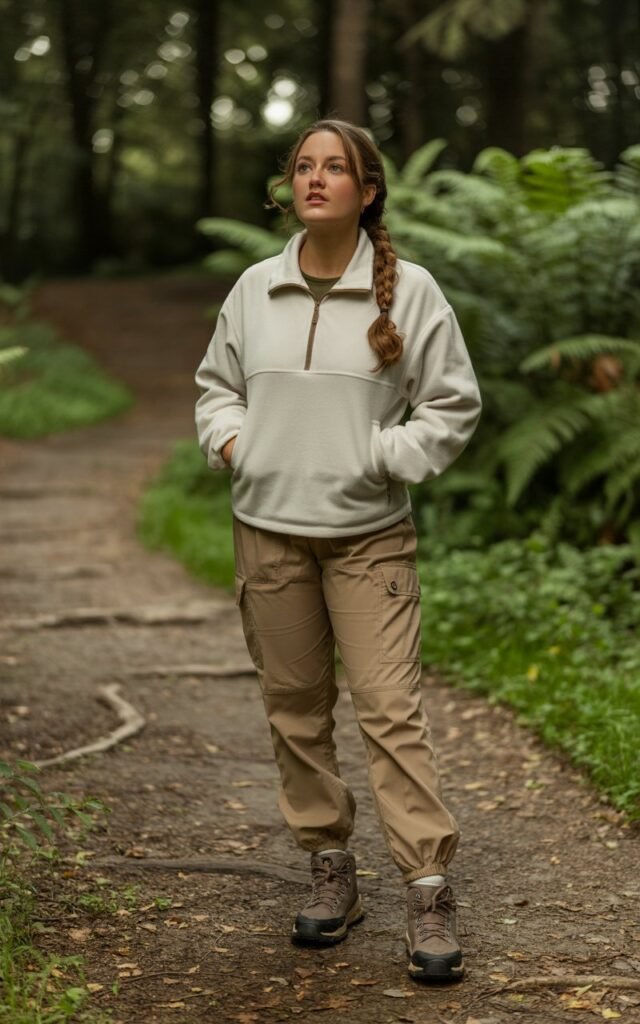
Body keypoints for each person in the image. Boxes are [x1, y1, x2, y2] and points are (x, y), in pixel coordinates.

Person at [194, 118, 482, 983]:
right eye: (305, 167)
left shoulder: (412, 293)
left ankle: (428, 888)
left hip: (369, 539)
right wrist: (239, 446)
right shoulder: (254, 288)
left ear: (368, 189)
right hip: (269, 531)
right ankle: (329, 868)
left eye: (337, 168)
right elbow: (216, 390)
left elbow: (451, 406)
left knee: (390, 712)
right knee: (295, 709)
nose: (317, 179)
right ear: (289, 187)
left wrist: (380, 456)